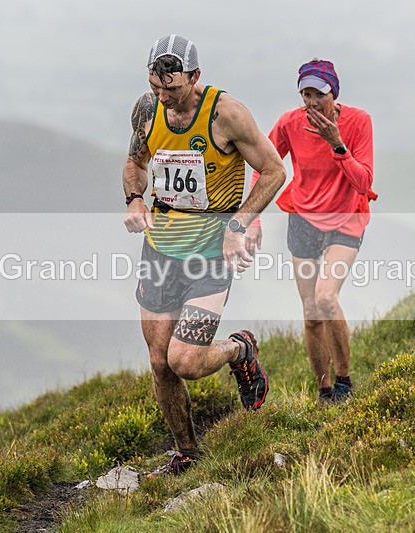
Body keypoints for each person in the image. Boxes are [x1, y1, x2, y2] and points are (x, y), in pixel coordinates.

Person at [122, 35, 286, 476]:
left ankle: (239, 350)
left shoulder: (226, 114)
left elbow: (274, 171)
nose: (164, 98)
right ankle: (188, 452)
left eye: (171, 89)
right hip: (160, 249)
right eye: (156, 87)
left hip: (211, 251)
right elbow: (135, 163)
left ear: (195, 77)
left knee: (186, 360)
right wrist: (134, 200)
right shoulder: (147, 109)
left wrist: (240, 224)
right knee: (160, 361)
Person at [247, 59, 376, 403]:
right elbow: (264, 167)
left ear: (334, 93)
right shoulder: (290, 123)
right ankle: (324, 391)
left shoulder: (359, 122)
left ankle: (345, 382)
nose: (312, 101)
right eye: (306, 93)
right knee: (311, 313)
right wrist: (254, 219)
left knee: (325, 297)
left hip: (347, 217)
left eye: (319, 93)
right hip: (303, 219)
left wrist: (337, 143)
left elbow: (364, 181)